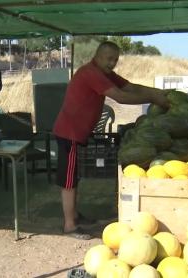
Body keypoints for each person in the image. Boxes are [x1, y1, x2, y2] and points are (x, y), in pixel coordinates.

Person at [52, 41, 170, 240]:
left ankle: (74, 215)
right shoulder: (91, 73)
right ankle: (69, 226)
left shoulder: (105, 74)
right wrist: (153, 99)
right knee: (69, 180)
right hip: (69, 132)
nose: (112, 63)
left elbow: (130, 86)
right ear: (98, 56)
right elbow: (121, 97)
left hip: (77, 133)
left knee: (74, 177)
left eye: (115, 60)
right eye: (109, 59)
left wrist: (155, 93)